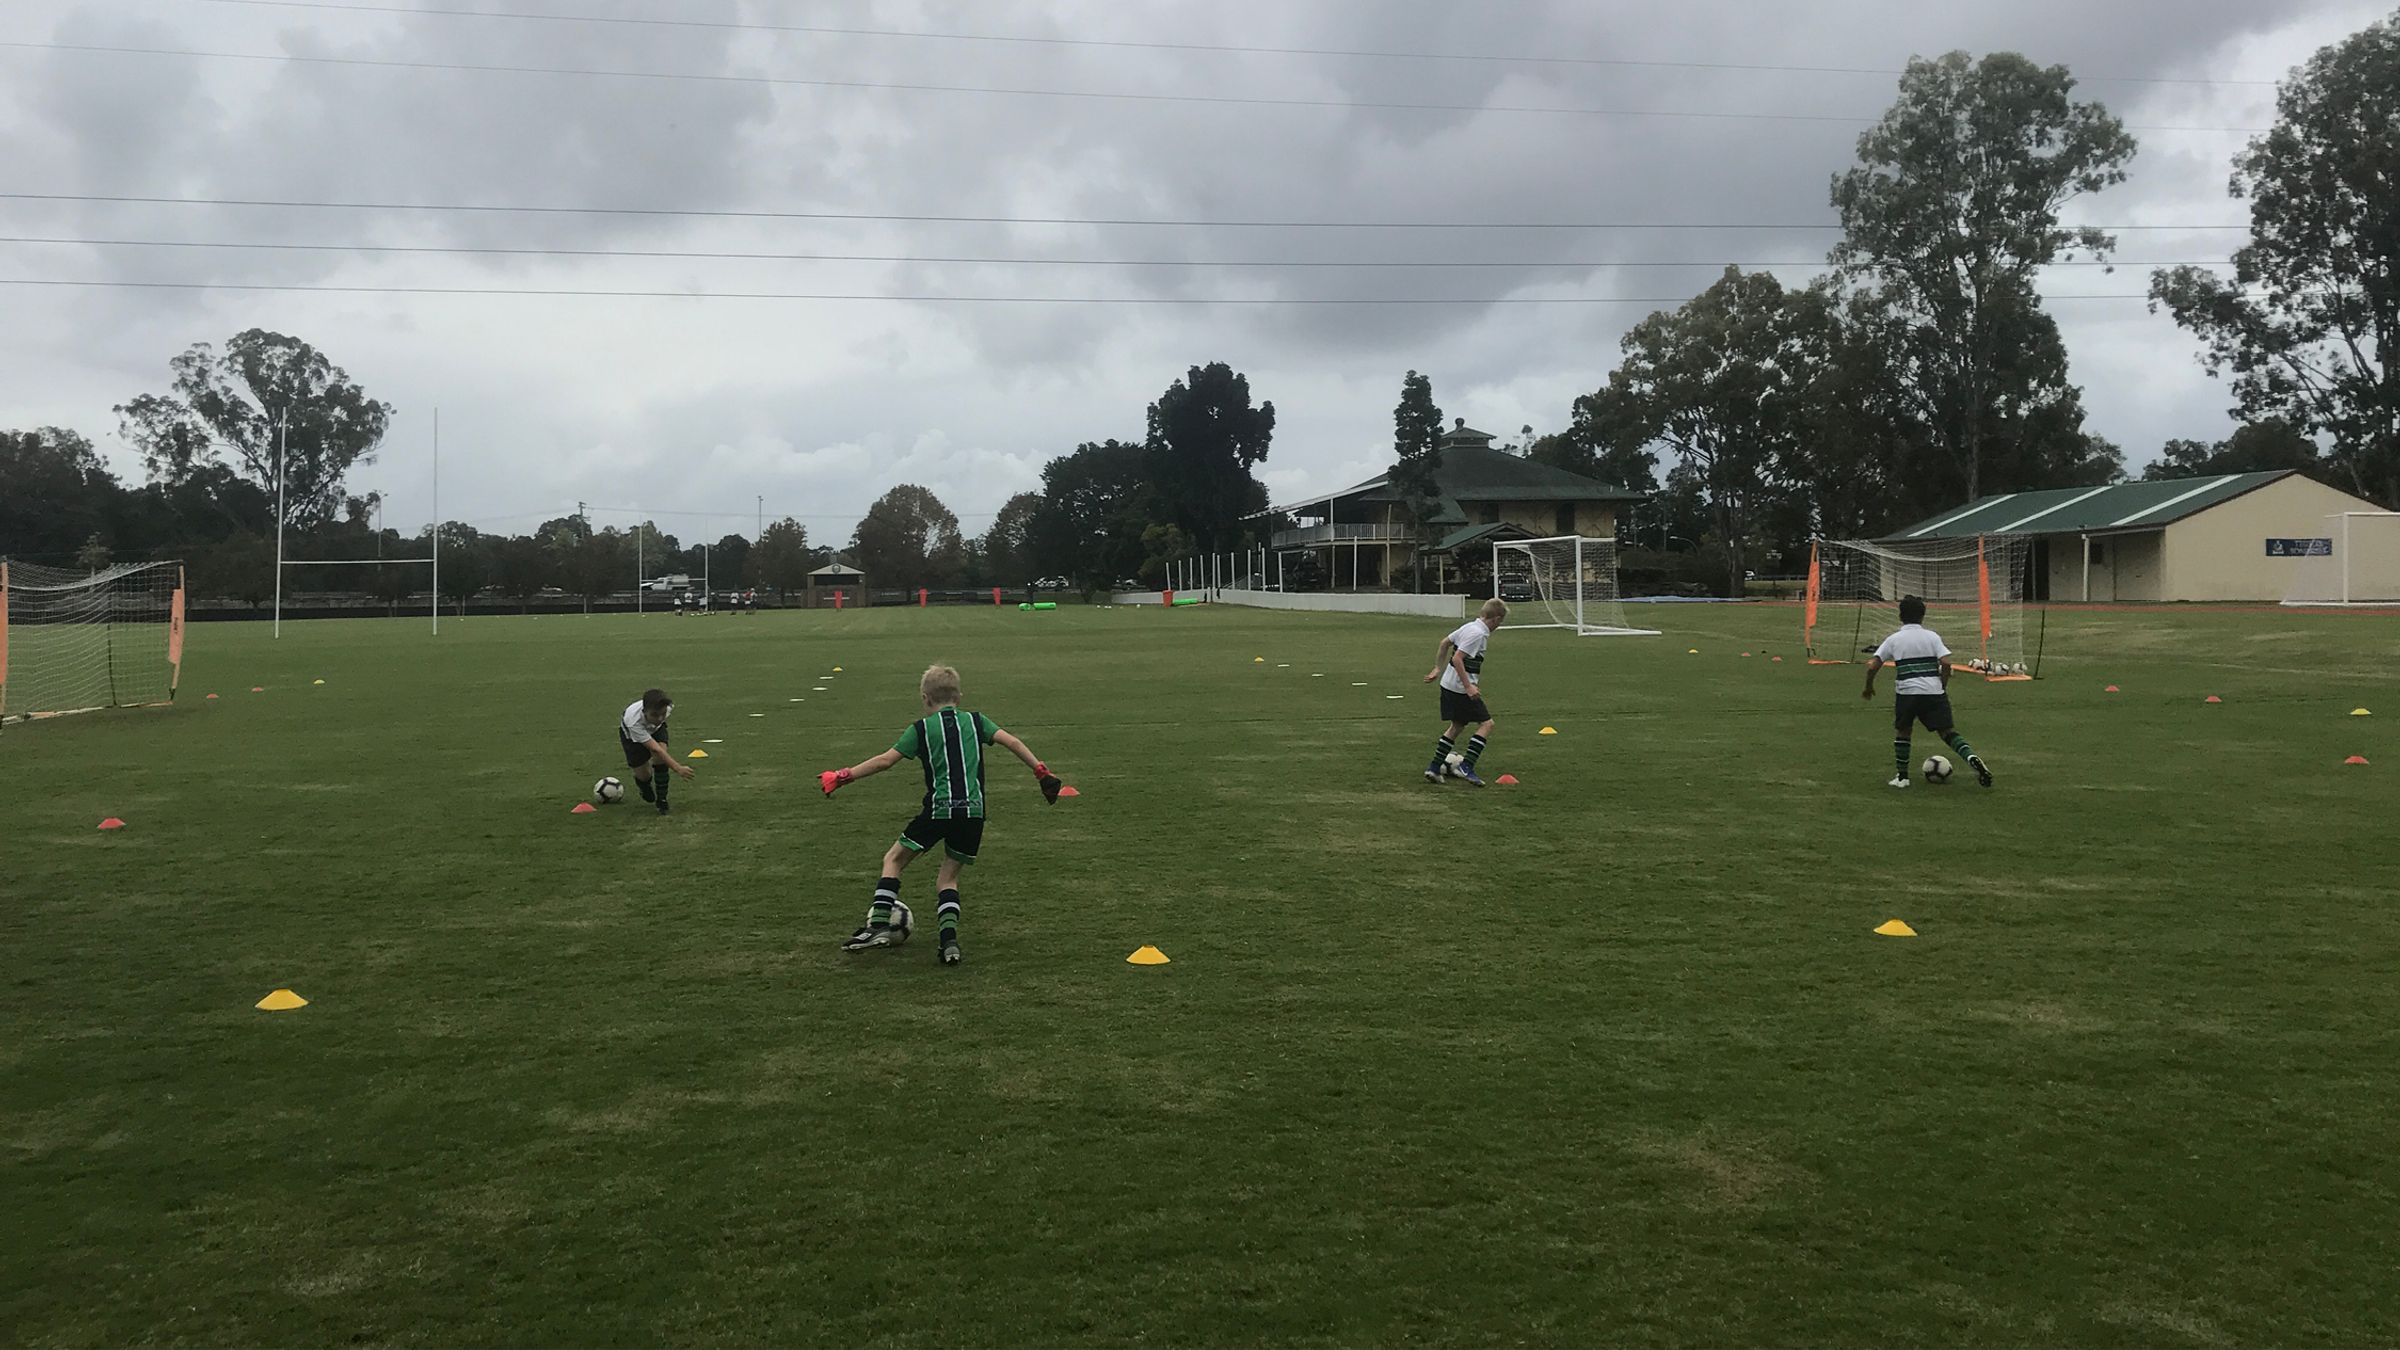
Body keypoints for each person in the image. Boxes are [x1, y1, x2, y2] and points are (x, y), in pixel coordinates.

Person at [819, 664, 1063, 966]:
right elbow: (1011, 741)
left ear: (925, 698)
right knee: (948, 878)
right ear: (959, 697)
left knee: (893, 859)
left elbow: (885, 761)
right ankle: (949, 943)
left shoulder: (921, 729)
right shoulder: (977, 721)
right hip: (973, 812)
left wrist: (843, 776)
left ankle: (878, 925)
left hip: (939, 809)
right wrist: (1041, 772)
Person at [1863, 595, 1994, 789]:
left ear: (1900, 616)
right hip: (1933, 691)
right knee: (1947, 732)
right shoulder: (1932, 637)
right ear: (1922, 616)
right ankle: (1971, 758)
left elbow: (1873, 665)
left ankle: (1902, 778)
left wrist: (1869, 686)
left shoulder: (1894, 639)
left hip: (1907, 692)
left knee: (1904, 731)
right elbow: (1946, 662)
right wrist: (1942, 684)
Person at [1423, 598, 1508, 787]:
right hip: (1460, 688)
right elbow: (1458, 659)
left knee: (1457, 725)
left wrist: (1437, 668)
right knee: (1487, 724)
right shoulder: (1478, 634)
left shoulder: (1469, 626)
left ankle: (1434, 768)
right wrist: (1468, 686)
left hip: (1448, 684)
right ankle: (1466, 766)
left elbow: (1444, 643)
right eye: (1500, 622)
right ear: (1496, 619)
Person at [618, 688, 695, 814]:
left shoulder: (668, 707)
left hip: (656, 729)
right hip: (631, 737)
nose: (660, 718)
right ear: (644, 712)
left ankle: (662, 800)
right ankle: (644, 786)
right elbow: (655, 749)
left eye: (663, 714)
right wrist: (678, 768)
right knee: (644, 775)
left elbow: (660, 751)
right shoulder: (633, 722)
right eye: (654, 715)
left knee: (661, 758)